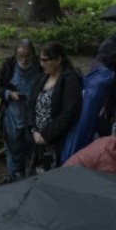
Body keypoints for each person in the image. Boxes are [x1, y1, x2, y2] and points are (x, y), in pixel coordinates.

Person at [29, 42, 83, 173]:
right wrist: (33, 130)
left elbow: (69, 113)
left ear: (58, 60)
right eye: (40, 60)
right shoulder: (41, 78)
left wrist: (46, 136)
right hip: (37, 140)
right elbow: (31, 105)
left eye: (46, 60)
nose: (42, 64)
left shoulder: (70, 80)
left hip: (57, 142)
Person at [0, 39, 42, 183]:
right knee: (14, 151)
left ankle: (33, 181)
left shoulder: (41, 66)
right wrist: (9, 94)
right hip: (13, 117)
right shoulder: (9, 65)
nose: (24, 59)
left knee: (34, 152)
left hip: (34, 118)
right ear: (15, 55)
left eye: (27, 56)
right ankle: (13, 180)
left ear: (33, 55)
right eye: (21, 56)